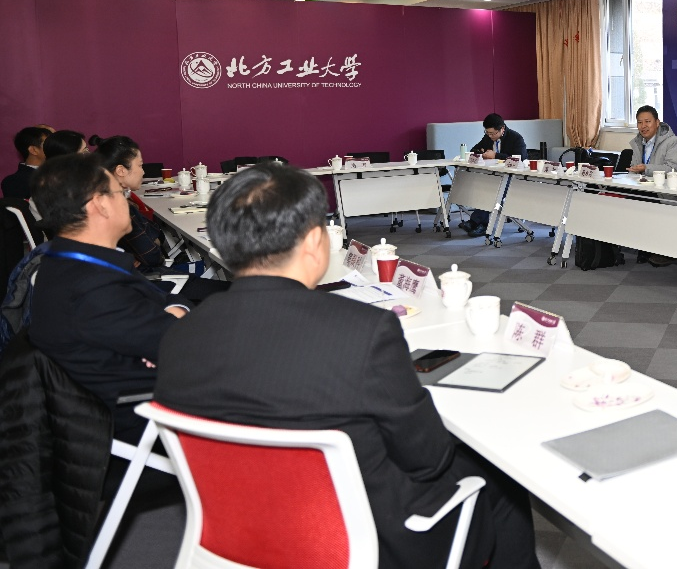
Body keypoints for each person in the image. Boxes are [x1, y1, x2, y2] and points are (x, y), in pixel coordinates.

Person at [154, 164, 540, 569]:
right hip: (364, 542)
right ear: (314, 241)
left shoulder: (180, 334)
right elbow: (428, 458)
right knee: (498, 479)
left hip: (240, 529)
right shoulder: (363, 331)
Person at [26, 153, 187, 442]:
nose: (127, 200)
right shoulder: (93, 288)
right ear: (100, 204)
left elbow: (165, 314)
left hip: (144, 383)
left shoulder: (69, 260)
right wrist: (177, 316)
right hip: (151, 417)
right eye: (120, 192)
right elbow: (182, 344)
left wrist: (175, 312)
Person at [95, 135, 229, 302]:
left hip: (140, 279)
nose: (143, 171)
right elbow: (152, 255)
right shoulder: (121, 208)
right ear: (121, 170)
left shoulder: (102, 201)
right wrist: (154, 245)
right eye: (140, 165)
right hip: (152, 282)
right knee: (235, 290)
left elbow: (153, 238)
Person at [462, 114, 527, 237]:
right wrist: (480, 153)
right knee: (484, 187)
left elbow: (520, 159)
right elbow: (474, 150)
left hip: (513, 178)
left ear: (502, 129)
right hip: (494, 176)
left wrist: (496, 156)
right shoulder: (487, 138)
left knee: (492, 190)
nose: (490, 136)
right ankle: (477, 222)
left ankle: (480, 224)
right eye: (487, 133)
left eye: (492, 133)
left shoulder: (516, 138)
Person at [627, 105, 677, 177]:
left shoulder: (673, 142)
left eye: (647, 121)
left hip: (668, 183)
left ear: (657, 122)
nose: (643, 126)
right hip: (644, 183)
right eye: (639, 122)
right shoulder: (638, 143)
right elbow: (634, 169)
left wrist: (646, 168)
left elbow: (673, 169)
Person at [2, 126, 48, 199]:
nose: (55, 147)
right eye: (48, 144)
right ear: (33, 150)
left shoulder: (59, 173)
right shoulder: (15, 181)